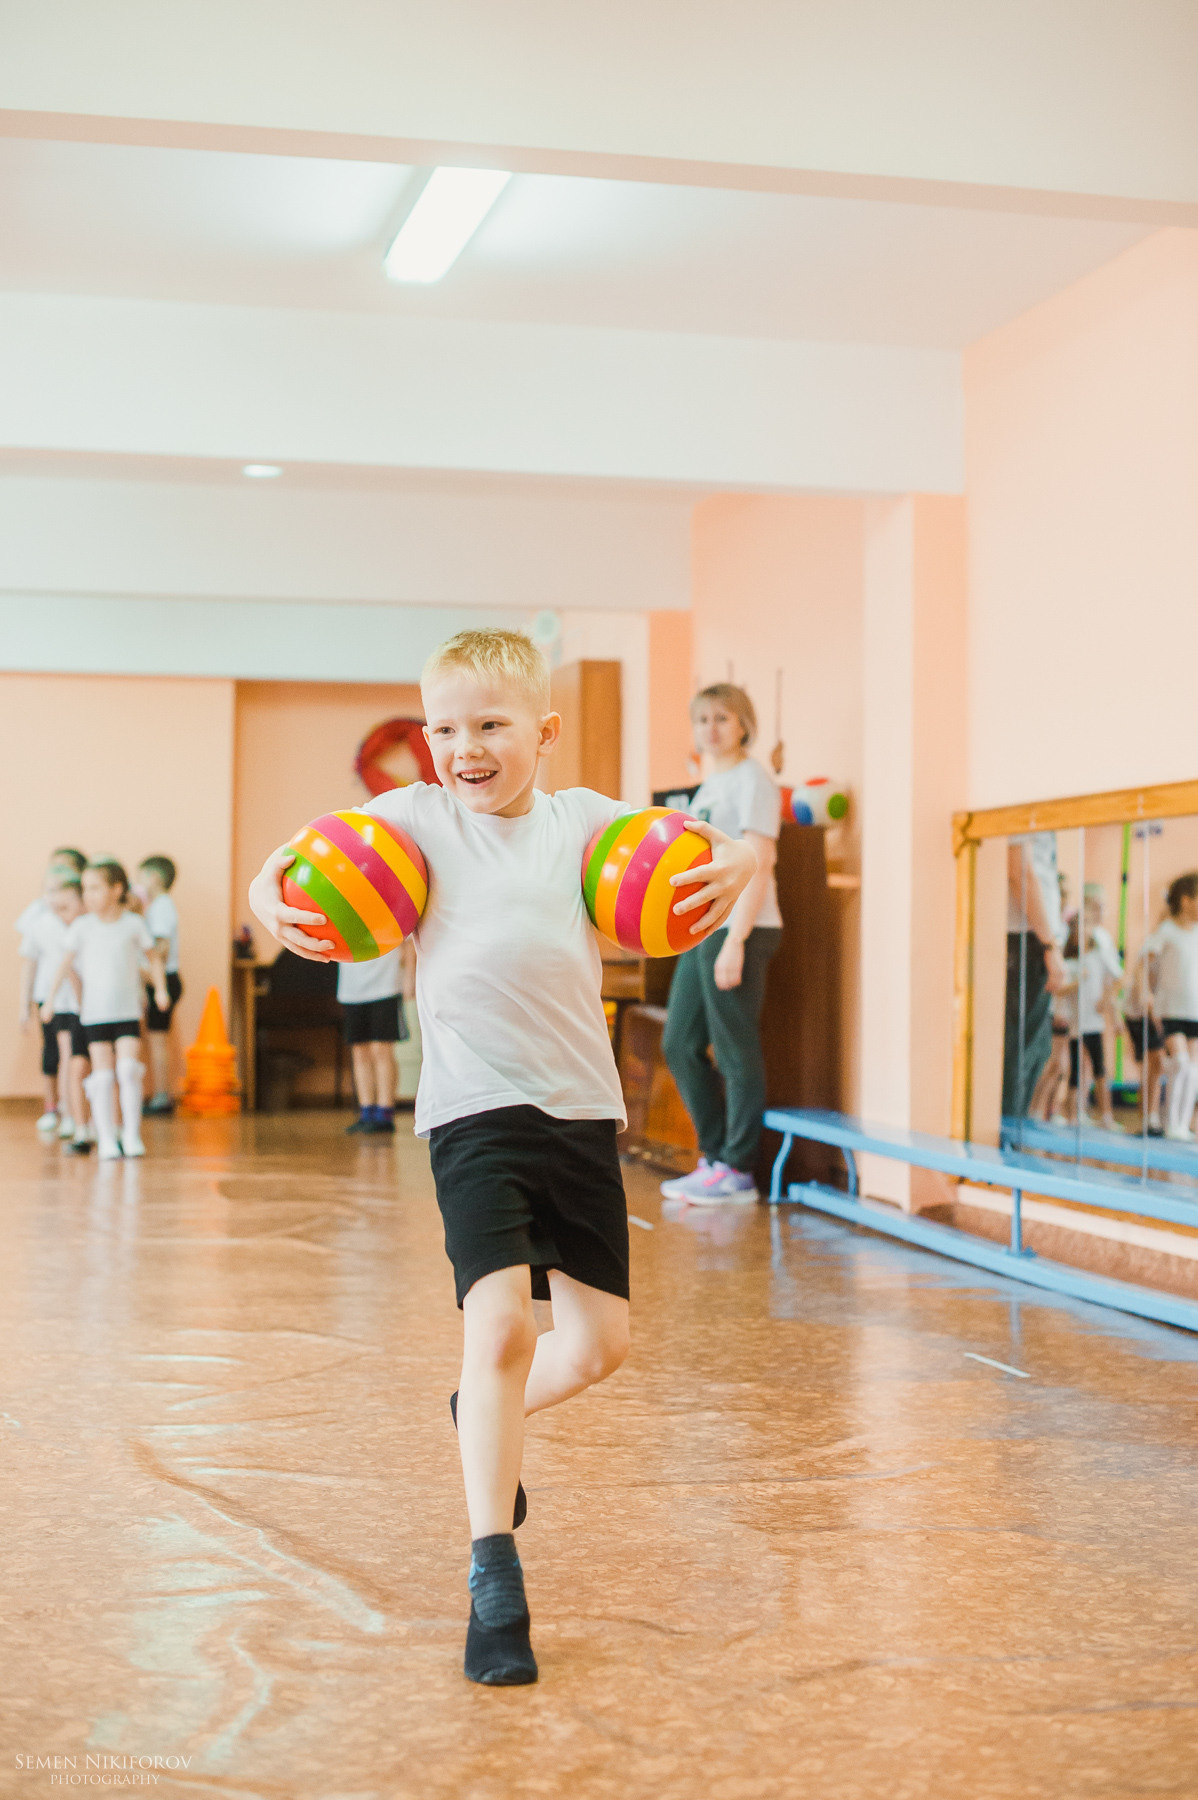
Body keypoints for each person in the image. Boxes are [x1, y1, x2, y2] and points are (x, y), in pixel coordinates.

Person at [248, 627, 755, 1687]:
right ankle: (495, 1578)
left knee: (601, 1346)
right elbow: (279, 868)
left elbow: (719, 838)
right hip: (471, 1113)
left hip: (579, 1114)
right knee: (500, 1330)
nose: (463, 747)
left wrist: (744, 857)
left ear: (543, 731)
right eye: (443, 728)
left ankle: (477, 1419)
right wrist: (268, 907)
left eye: (489, 726)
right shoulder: (415, 817)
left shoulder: (580, 822)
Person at [659, 683, 780, 1204]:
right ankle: (713, 1157)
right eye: (702, 718)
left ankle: (739, 1168)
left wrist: (737, 939)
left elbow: (760, 858)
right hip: (706, 928)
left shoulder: (755, 779)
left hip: (742, 929)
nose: (711, 728)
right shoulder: (711, 782)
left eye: (723, 718)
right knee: (679, 1044)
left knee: (734, 1049)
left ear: (744, 725)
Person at [43, 860, 169, 1161]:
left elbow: (153, 958)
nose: (88, 895)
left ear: (117, 889)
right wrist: (49, 1001)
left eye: (95, 888)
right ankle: (106, 1136)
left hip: (127, 1012)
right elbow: (64, 964)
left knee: (127, 1071)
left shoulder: (133, 925)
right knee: (102, 1076)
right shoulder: (82, 927)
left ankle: (131, 1135)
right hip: (95, 1014)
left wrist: (161, 989)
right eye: (85, 889)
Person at [1002, 833, 1068, 1120]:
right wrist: (1049, 945)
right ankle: (1005, 1141)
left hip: (1032, 940)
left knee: (1036, 1052)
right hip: (1025, 939)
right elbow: (1020, 872)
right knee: (1019, 1052)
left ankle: (1013, 1133)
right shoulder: (1023, 800)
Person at [1144, 871, 1198, 1142]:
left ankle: (1183, 1123)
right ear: (1187, 900)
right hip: (1171, 1008)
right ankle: (1170, 1123)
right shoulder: (1167, 930)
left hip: (1193, 1009)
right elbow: (1146, 962)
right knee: (1180, 1063)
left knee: (1194, 1069)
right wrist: (1148, 993)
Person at [1058, 909, 1122, 1131]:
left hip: (1094, 1022)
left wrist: (1107, 1001)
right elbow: (1060, 990)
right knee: (1075, 1070)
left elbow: (1117, 978)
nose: (1081, 931)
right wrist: (1077, 982)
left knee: (1100, 1069)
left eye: (1085, 925)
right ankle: (1073, 1115)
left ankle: (1106, 1116)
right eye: (1077, 927)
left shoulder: (1098, 955)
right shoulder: (1069, 961)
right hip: (1077, 1023)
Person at [338, 945, 409, 1134]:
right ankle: (366, 1112)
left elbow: (407, 940)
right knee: (360, 1051)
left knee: (381, 1049)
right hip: (352, 986)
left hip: (386, 983)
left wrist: (410, 973)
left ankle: (385, 1113)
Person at [138, 856, 182, 1115]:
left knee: (157, 1041)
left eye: (141, 877)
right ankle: (160, 1094)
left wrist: (147, 974)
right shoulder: (158, 906)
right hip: (162, 979)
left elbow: (161, 949)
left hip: (164, 979)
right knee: (157, 1039)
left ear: (153, 878)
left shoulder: (162, 906)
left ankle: (162, 1096)